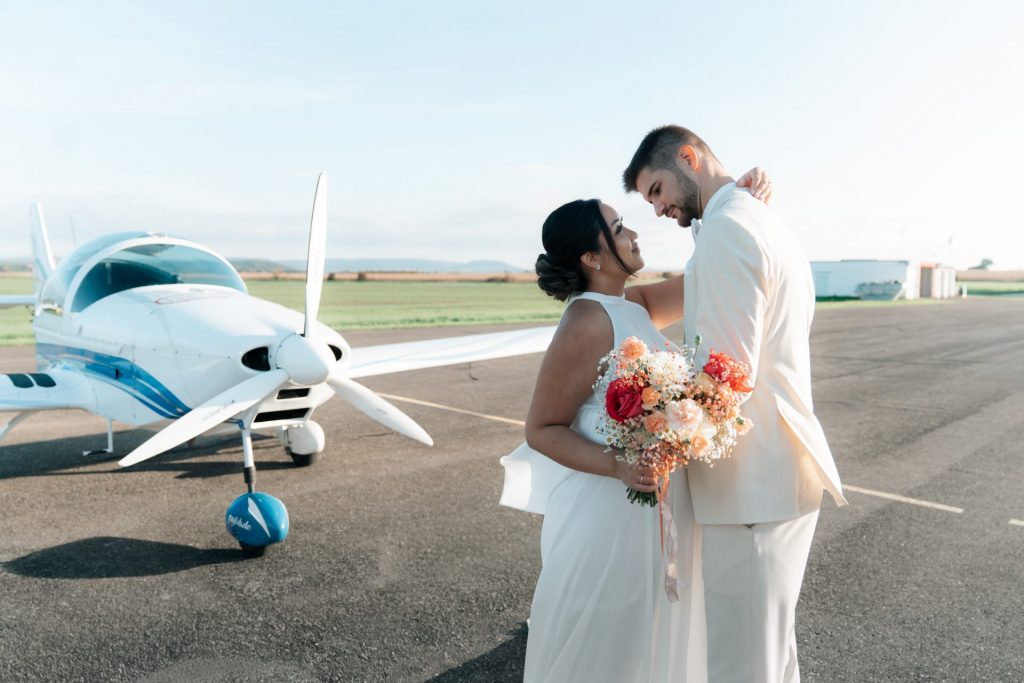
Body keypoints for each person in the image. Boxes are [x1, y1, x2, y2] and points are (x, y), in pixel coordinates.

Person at [500, 169, 771, 683]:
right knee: (605, 651)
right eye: (619, 227)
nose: (634, 233)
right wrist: (618, 465)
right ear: (591, 257)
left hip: (655, 512)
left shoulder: (634, 304)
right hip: (607, 514)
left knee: (646, 648)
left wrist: (737, 203)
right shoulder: (585, 320)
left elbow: (712, 274)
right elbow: (542, 428)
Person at [622, 125, 847, 683]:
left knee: (743, 668)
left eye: (655, 190)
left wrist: (656, 431)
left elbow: (726, 377)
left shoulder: (728, 229)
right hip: (776, 479)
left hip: (751, 491)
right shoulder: (754, 219)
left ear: (688, 158)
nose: (656, 208)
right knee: (769, 657)